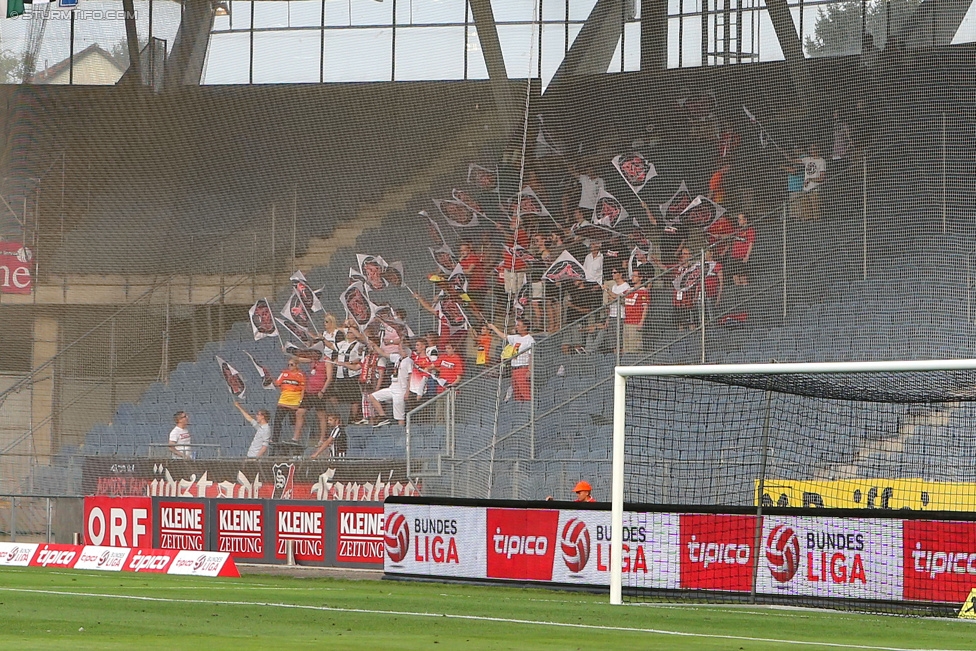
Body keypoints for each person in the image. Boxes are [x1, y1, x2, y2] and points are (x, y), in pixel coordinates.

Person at [365, 337, 414, 428]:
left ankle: (401, 432)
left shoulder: (409, 361)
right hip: (392, 387)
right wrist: (375, 346)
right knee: (372, 396)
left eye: (400, 348)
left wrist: (407, 391)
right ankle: (383, 416)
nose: (398, 350)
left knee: (399, 415)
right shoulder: (397, 357)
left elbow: (410, 377)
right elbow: (383, 353)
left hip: (401, 390)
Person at [487, 318, 534, 402]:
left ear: (525, 327)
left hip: (522, 368)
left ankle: (529, 411)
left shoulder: (529, 340)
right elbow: (504, 336)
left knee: (525, 393)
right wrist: (493, 327)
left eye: (518, 325)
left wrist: (529, 370)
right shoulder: (516, 337)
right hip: (514, 369)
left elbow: (531, 356)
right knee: (517, 393)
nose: (516, 327)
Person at [272, 358, 306, 452]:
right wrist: (269, 378)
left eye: (292, 364)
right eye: (288, 365)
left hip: (294, 402)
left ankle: (295, 438)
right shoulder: (284, 373)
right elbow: (277, 384)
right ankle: (274, 438)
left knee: (293, 421)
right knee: (277, 420)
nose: (289, 366)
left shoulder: (301, 375)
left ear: (297, 365)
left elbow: (303, 389)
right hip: (283, 401)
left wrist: (300, 401)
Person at [623, 269, 650, 354]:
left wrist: (641, 322)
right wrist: (608, 290)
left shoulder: (643, 291)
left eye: (635, 276)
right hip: (627, 321)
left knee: (634, 347)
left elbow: (645, 308)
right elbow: (618, 298)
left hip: (635, 322)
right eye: (632, 276)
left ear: (640, 278)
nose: (633, 278)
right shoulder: (628, 290)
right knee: (626, 347)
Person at [800, 144, 826, 221]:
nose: (813, 150)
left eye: (815, 148)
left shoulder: (821, 161)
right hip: (805, 190)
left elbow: (822, 178)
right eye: (811, 149)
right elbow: (792, 160)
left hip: (815, 190)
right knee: (806, 215)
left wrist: (810, 180)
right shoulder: (807, 159)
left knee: (816, 213)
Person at [730, 213, 755, 286]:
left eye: (740, 219)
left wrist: (747, 256)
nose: (738, 221)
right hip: (734, 256)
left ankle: (745, 291)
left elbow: (751, 243)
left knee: (743, 276)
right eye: (738, 219)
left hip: (742, 256)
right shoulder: (737, 230)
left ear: (745, 220)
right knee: (735, 276)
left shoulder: (750, 230)